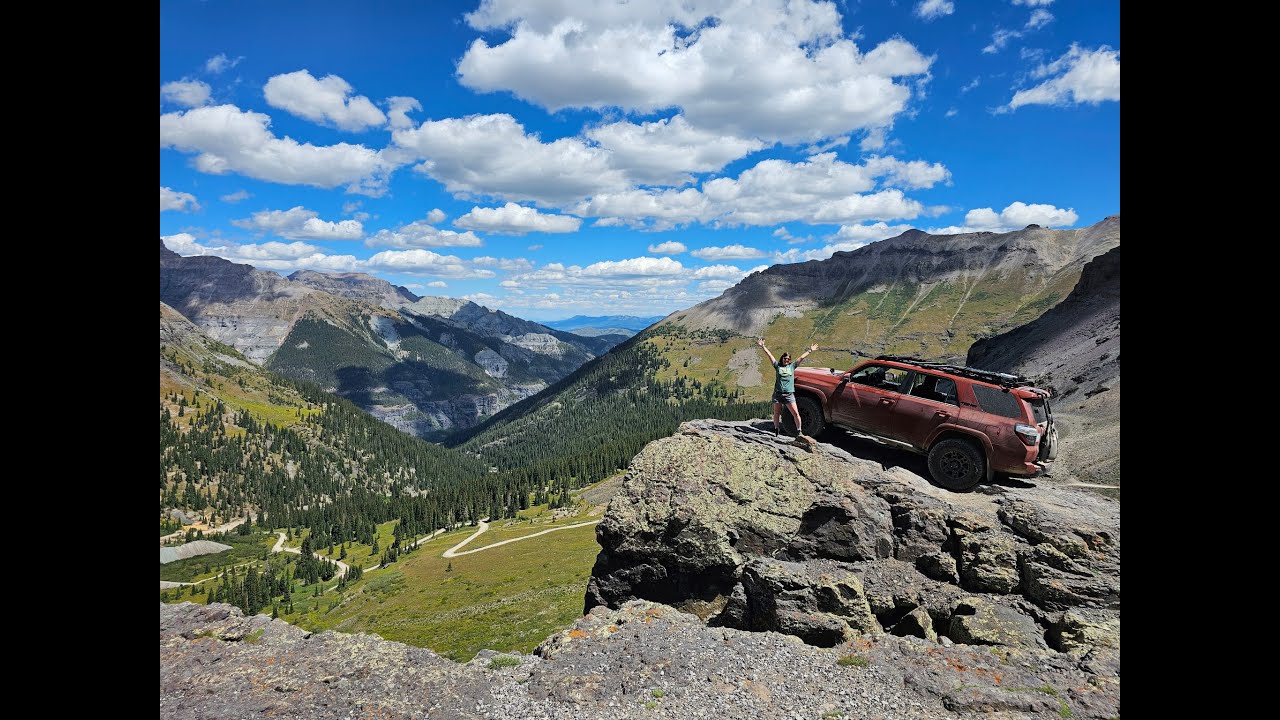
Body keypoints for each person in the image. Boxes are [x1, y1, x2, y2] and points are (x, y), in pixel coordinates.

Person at [756, 338, 819, 437]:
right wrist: (763, 346)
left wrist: (810, 350)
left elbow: (801, 358)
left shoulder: (792, 366)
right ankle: (776, 429)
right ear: (782, 359)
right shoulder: (777, 366)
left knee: (796, 413)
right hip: (778, 394)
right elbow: (770, 356)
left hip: (789, 394)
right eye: (785, 359)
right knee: (777, 413)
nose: (787, 360)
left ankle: (799, 431)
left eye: (788, 359)